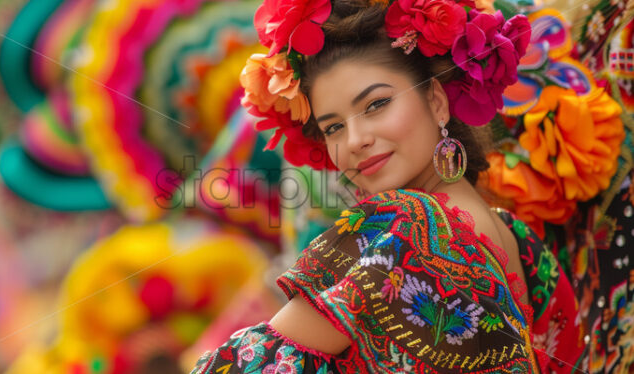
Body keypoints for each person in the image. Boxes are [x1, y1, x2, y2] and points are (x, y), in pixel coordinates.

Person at [191, 0, 585, 372]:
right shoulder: (521, 240)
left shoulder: (407, 228)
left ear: (436, 100)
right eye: (333, 127)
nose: (354, 140)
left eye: (376, 104)